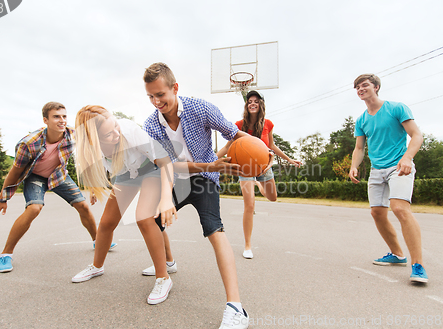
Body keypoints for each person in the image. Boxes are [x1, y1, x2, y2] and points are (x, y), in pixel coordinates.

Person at [143, 62, 250, 329]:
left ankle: (236, 307)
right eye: (151, 97)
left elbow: (234, 133)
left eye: (161, 95)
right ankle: (165, 272)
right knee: (149, 218)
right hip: (177, 176)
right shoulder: (151, 125)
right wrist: (166, 198)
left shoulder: (200, 109)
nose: (157, 101)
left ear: (175, 88)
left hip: (205, 179)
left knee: (215, 229)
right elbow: (166, 165)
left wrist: (260, 148)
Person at [70, 105, 177, 305]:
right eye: (109, 134)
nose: (116, 133)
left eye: (115, 126)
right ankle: (97, 266)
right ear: (93, 140)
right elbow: (96, 167)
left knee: (144, 218)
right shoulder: (88, 150)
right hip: (127, 172)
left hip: (152, 167)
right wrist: (93, 188)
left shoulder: (129, 131)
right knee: (107, 222)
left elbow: (165, 162)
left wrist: (165, 198)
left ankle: (164, 278)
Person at [0, 102, 98, 273]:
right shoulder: (29, 143)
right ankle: (5, 255)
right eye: (56, 116)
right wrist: (3, 198)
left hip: (59, 175)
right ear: (45, 120)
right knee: (34, 208)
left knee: (83, 205)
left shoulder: (73, 135)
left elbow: (87, 158)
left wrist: (93, 186)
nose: (62, 120)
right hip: (36, 177)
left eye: (64, 116)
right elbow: (15, 171)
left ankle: (98, 241)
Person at [349, 74, 427, 283]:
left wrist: (408, 158)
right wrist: (353, 166)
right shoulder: (362, 120)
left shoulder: (396, 108)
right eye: (357, 87)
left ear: (376, 87)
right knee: (377, 213)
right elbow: (359, 147)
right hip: (377, 170)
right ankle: (397, 255)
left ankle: (418, 265)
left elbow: (416, 135)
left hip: (399, 166)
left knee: (400, 209)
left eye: (364, 85)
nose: (360, 89)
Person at [217, 90, 301, 259]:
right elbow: (227, 147)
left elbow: (272, 146)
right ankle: (247, 245)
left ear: (261, 104)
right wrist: (209, 161)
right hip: (245, 167)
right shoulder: (239, 124)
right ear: (246, 106)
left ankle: (258, 184)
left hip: (264, 166)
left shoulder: (268, 124)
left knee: (272, 197)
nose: (252, 103)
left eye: (255, 101)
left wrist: (289, 159)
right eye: (249, 101)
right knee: (250, 205)